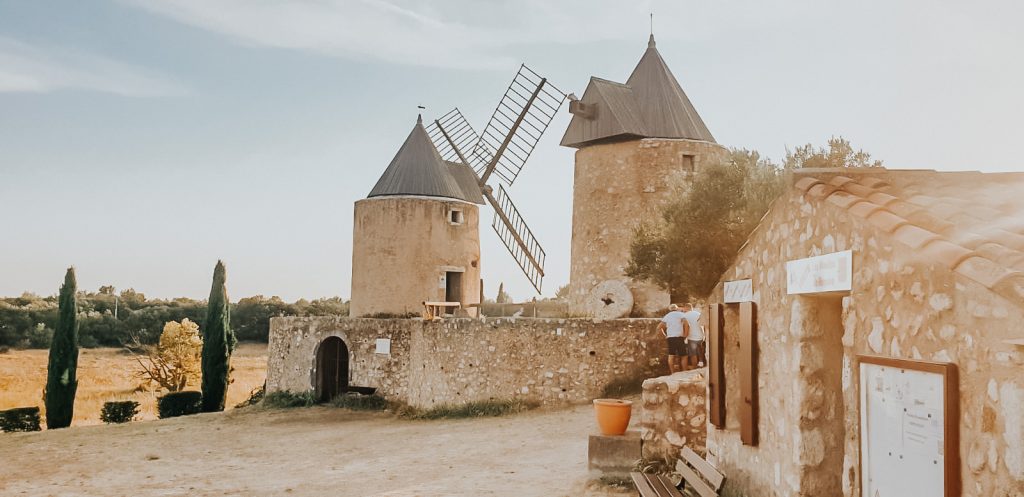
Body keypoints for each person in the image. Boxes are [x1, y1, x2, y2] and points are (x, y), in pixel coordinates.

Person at [657, 304, 687, 374]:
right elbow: (686, 324)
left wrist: (665, 336)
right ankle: (685, 372)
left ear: (670, 309)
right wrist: (685, 335)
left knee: (671, 355)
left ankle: (672, 373)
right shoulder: (681, 314)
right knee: (684, 355)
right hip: (679, 337)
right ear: (677, 308)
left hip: (671, 338)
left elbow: (658, 327)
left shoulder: (667, 316)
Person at [681, 303, 706, 368]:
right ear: (691, 307)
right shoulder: (698, 314)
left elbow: (683, 327)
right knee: (700, 352)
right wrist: (704, 335)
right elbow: (704, 325)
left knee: (693, 354)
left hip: (691, 337)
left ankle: (695, 367)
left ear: (686, 308)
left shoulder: (684, 316)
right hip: (701, 336)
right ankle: (701, 364)